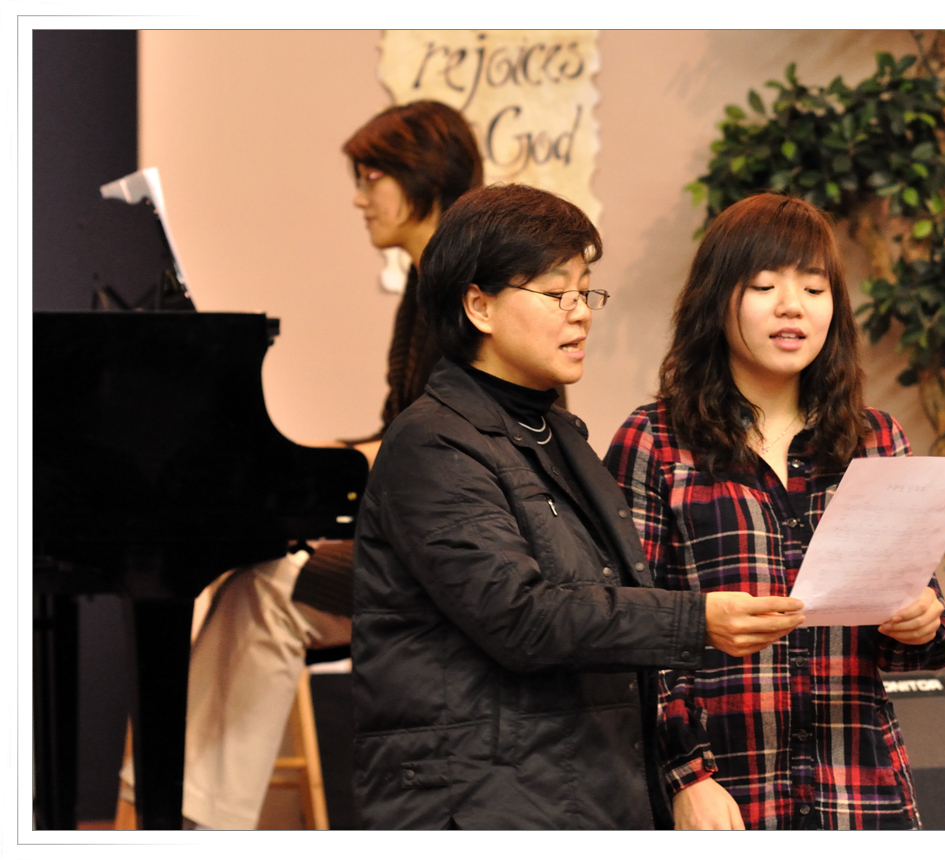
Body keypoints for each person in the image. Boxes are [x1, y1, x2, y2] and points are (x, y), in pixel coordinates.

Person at [351, 183, 806, 830]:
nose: (581, 314)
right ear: (479, 305)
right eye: (555, 293)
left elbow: (610, 605)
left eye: (586, 292)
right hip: (477, 806)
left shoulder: (561, 437)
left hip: (574, 790)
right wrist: (697, 620)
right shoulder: (433, 443)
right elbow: (522, 617)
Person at [118, 100, 484, 830]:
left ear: (426, 175)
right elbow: (400, 429)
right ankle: (174, 810)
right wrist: (299, 459)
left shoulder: (463, 289)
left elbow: (438, 446)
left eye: (372, 177)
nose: (359, 197)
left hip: (457, 557)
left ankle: (185, 820)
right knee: (247, 581)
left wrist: (298, 466)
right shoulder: (426, 287)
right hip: (418, 539)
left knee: (269, 587)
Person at [602, 192, 945, 831]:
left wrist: (920, 621)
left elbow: (920, 648)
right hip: (724, 797)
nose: (792, 305)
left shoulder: (876, 440)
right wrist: (687, 776)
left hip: (860, 797)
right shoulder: (655, 441)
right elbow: (626, 632)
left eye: (814, 288)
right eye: (765, 286)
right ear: (717, 299)